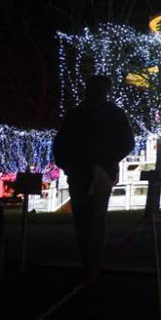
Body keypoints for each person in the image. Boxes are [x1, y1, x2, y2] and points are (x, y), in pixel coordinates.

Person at [52, 75, 135, 280]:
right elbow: (60, 145)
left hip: (100, 173)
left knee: (94, 218)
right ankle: (88, 261)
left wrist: (106, 162)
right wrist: (68, 166)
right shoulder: (77, 115)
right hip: (81, 171)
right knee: (82, 219)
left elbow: (127, 142)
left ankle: (92, 262)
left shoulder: (112, 114)